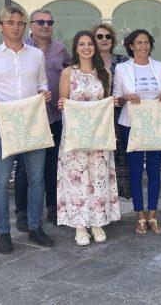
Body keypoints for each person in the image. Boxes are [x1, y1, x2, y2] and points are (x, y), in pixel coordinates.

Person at [0, 6, 54, 253]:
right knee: (0, 182)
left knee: (36, 178)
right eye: (10, 22)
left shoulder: (36, 55)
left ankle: (35, 226)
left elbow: (42, 83)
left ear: (25, 26)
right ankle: (3, 232)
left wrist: (44, 93)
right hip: (4, 123)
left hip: (33, 121)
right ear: (1, 26)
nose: (16, 27)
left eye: (20, 23)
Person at [56, 31, 121, 245]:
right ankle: (80, 226)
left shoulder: (104, 73)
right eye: (81, 44)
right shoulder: (68, 73)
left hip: (99, 135)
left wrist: (112, 103)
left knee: (98, 177)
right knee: (76, 178)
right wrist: (62, 104)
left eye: (90, 44)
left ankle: (97, 222)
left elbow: (106, 101)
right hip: (75, 136)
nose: (86, 48)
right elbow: (63, 102)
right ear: (76, 48)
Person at [15, 8, 72, 230]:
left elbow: (71, 73)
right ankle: (22, 212)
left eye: (49, 22)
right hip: (29, 118)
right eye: (40, 22)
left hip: (54, 116)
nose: (46, 26)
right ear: (31, 25)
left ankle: (53, 208)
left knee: (52, 165)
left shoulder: (60, 49)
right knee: (24, 168)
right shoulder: (21, 49)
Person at [113, 29, 161, 234]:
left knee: (154, 171)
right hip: (131, 125)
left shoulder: (159, 66)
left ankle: (152, 215)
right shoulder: (122, 69)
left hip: (155, 124)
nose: (143, 46)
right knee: (135, 172)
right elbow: (116, 99)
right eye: (139, 43)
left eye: (146, 42)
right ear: (131, 46)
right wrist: (126, 97)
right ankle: (139, 216)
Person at [92, 23, 130, 199]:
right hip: (97, 117)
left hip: (120, 114)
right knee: (100, 155)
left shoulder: (123, 61)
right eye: (99, 36)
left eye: (108, 36)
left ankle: (121, 194)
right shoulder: (88, 61)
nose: (104, 39)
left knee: (121, 154)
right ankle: (101, 195)